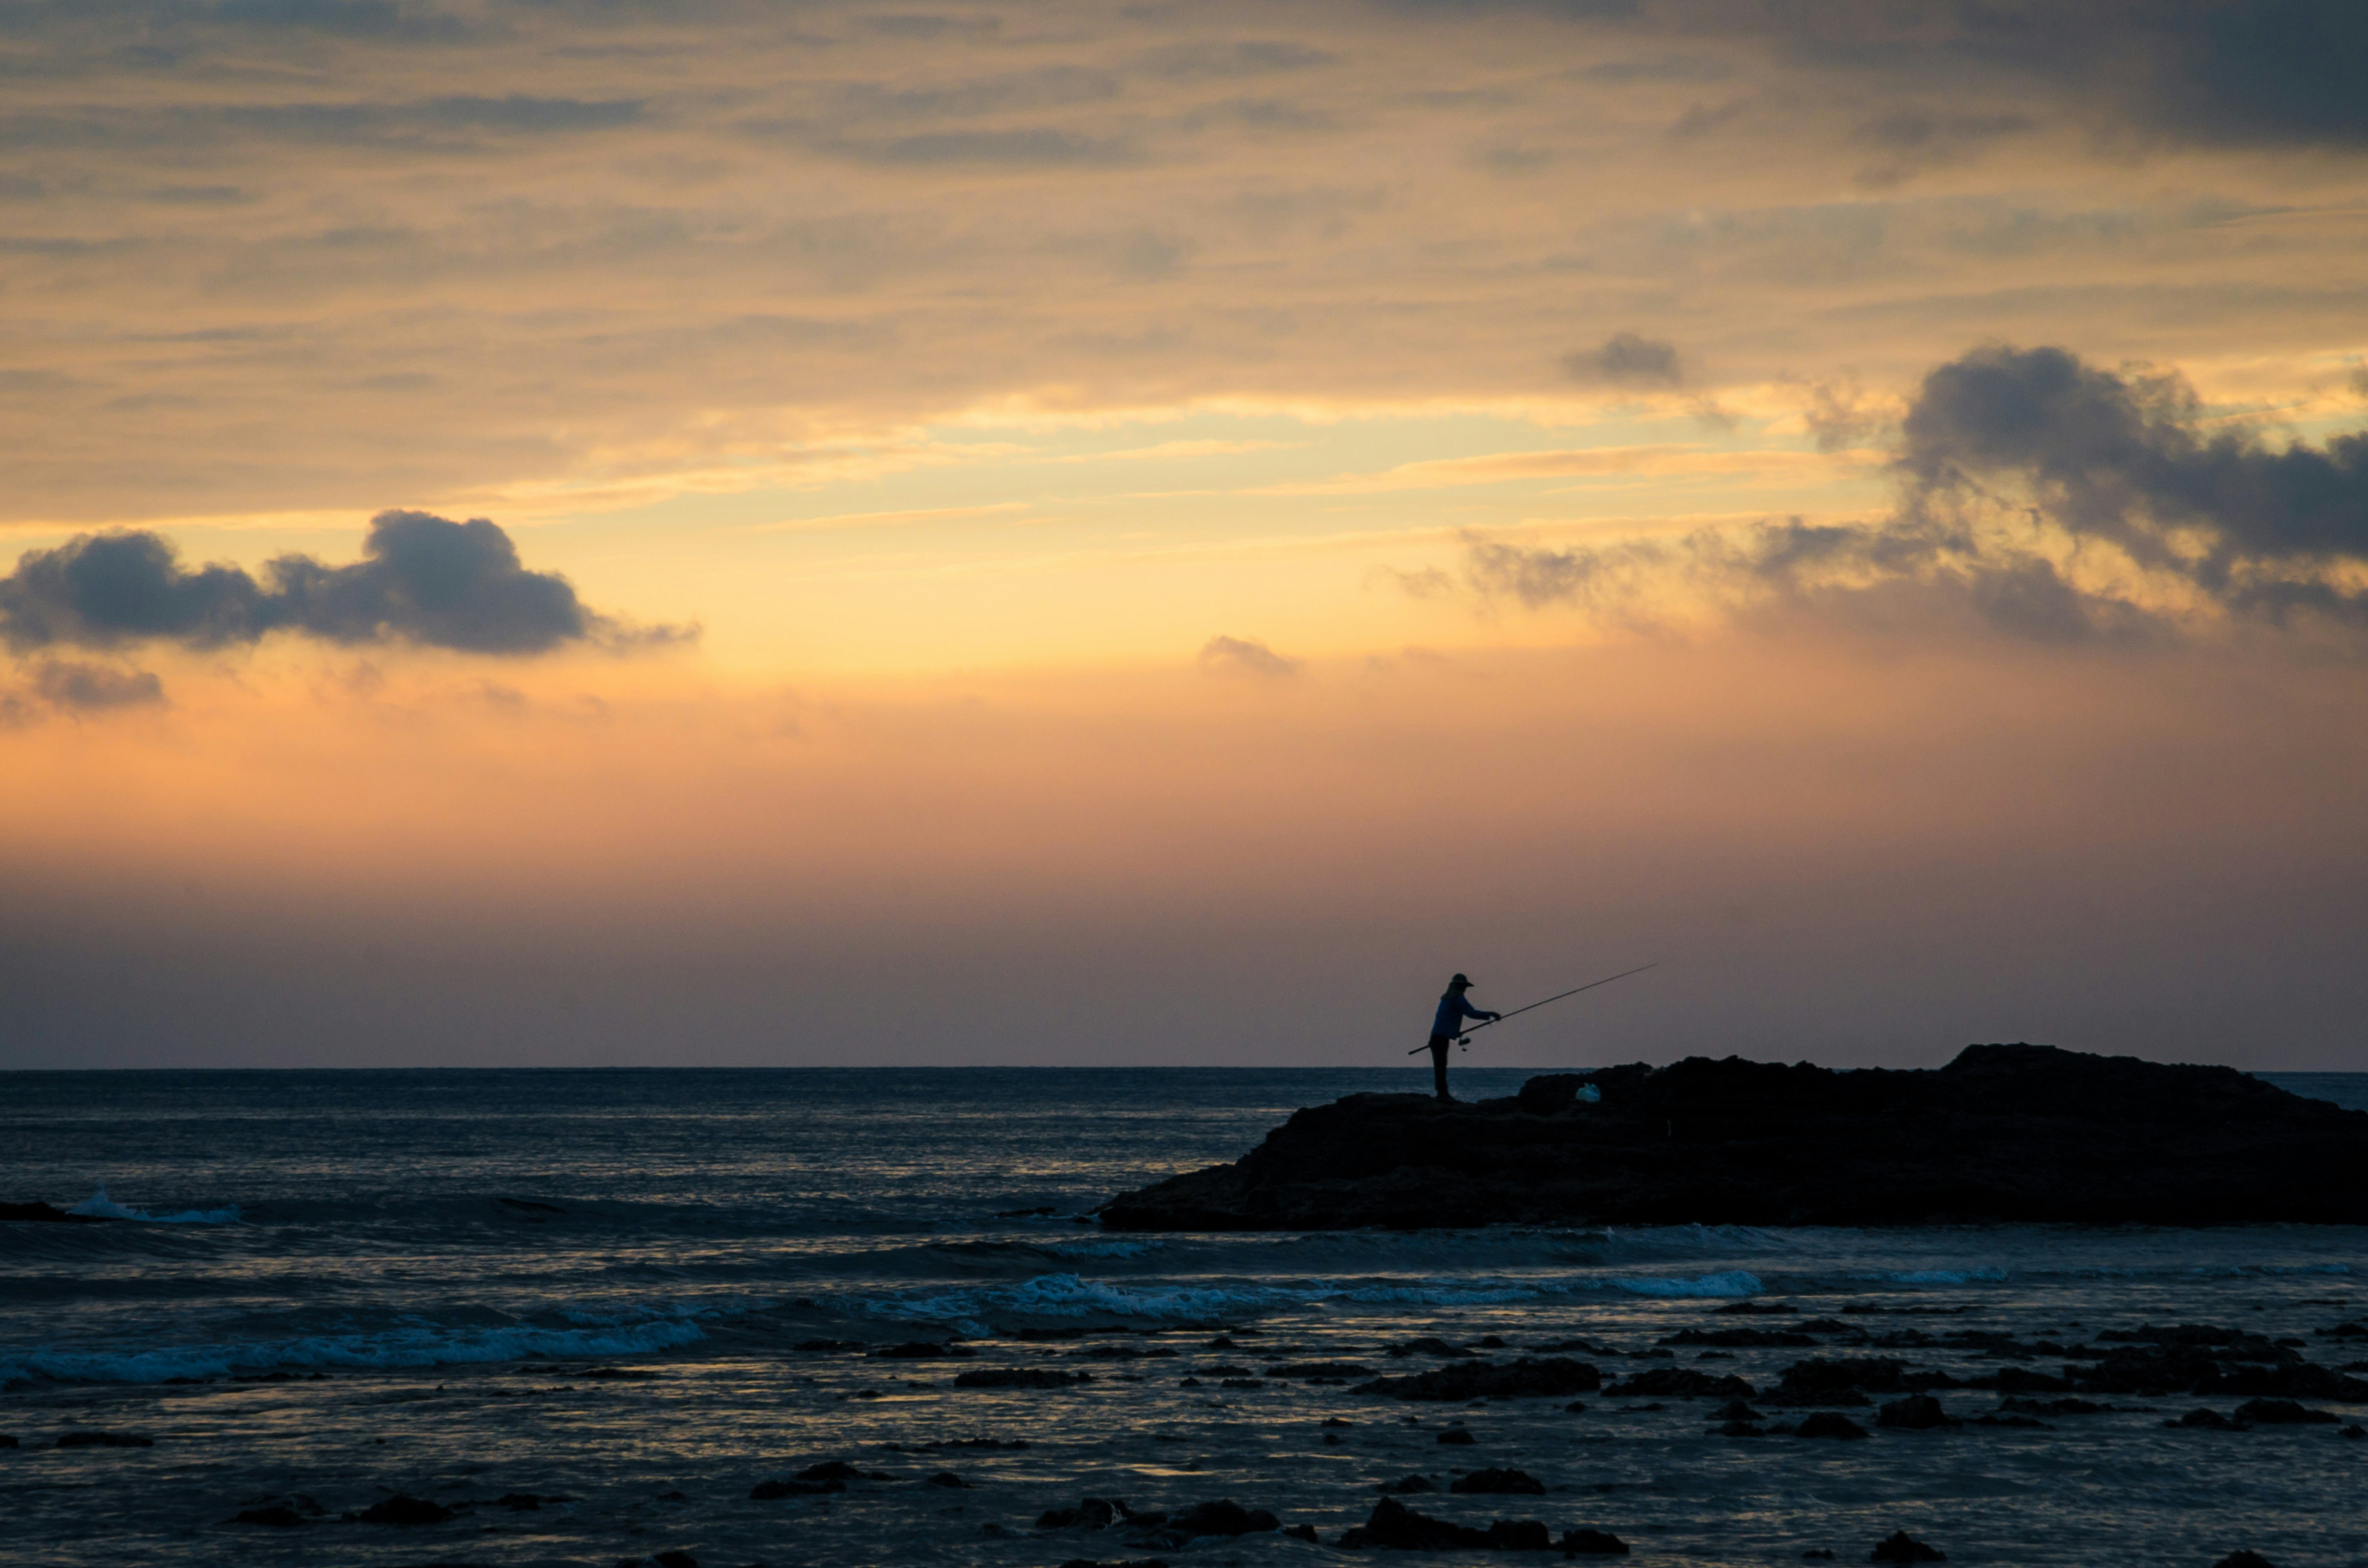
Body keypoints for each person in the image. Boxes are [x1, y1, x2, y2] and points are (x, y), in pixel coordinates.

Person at [1425, 973, 1499, 1102]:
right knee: (1441, 1065)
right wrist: (1491, 1014)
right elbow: (1472, 1013)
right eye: (1464, 987)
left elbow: (1445, 1021)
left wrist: (1454, 1032)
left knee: (1440, 1065)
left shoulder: (1446, 999)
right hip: (1441, 1038)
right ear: (1460, 987)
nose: (1465, 989)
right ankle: (1443, 1094)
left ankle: (1442, 1093)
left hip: (1437, 1037)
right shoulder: (1458, 1000)